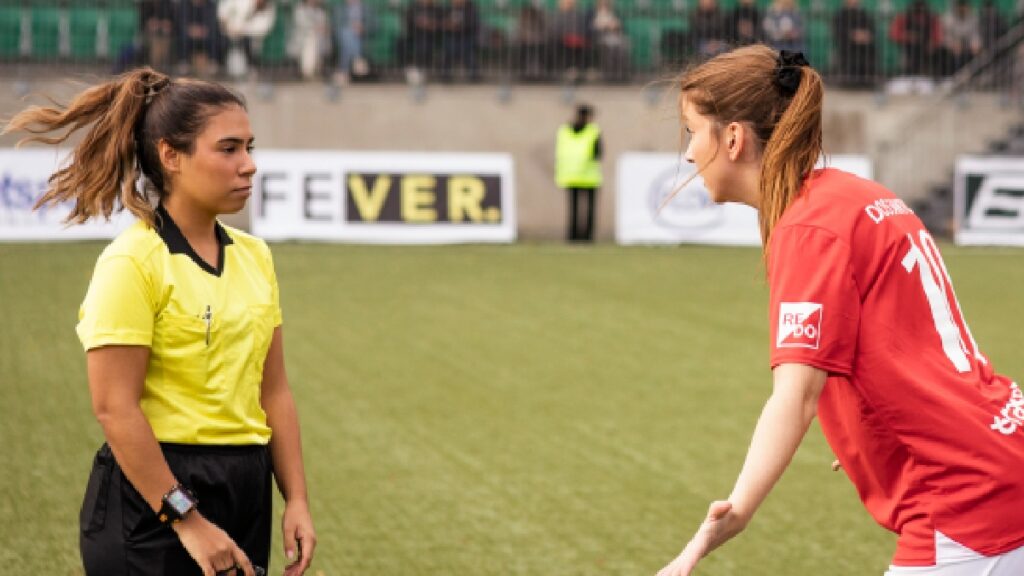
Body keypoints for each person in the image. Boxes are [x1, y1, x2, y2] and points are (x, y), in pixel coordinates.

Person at [655, 45, 1024, 576]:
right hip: (1000, 446)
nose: (689, 154)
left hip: (964, 501)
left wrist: (729, 517)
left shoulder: (808, 230)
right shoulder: (854, 196)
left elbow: (796, 397)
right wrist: (870, 435)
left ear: (732, 138)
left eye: (692, 131)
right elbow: (909, 341)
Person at [3, 68, 317, 576]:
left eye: (250, 148)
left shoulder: (256, 256)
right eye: (230, 149)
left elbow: (274, 390)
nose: (250, 166)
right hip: (153, 500)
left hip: (246, 488)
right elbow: (114, 409)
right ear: (171, 155)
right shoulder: (133, 262)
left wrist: (296, 499)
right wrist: (188, 522)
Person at [555, 104, 603, 242]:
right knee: (589, 210)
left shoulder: (564, 130)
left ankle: (572, 237)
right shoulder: (593, 131)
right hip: (589, 176)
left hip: (570, 175)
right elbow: (598, 153)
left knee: (573, 209)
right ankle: (587, 238)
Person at [218, 0, 277, 80]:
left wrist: (241, 30)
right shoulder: (243, 2)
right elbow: (224, 12)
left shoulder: (269, 10)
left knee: (247, 42)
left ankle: (251, 69)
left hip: (251, 37)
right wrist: (228, 26)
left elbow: (262, 29)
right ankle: (221, 67)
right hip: (230, 31)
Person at [832, 0, 877, 87]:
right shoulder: (840, 15)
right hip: (848, 47)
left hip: (865, 47)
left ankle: (868, 81)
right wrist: (854, 35)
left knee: (870, 54)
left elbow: (872, 30)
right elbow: (839, 31)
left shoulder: (864, 14)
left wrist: (866, 36)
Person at [332, 0, 375, 84]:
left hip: (361, 35)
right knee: (347, 33)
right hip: (342, 33)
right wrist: (351, 27)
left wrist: (363, 28)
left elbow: (374, 24)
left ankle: (344, 72)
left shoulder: (367, 9)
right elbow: (335, 24)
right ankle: (358, 60)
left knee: (348, 41)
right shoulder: (339, 9)